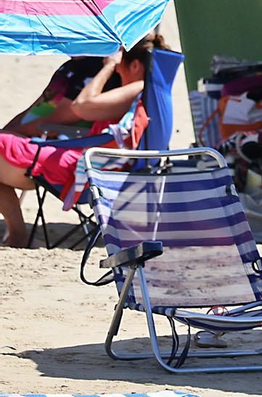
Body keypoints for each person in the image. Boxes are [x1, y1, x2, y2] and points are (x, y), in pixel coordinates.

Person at [0, 36, 159, 247]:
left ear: (136, 65)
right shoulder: (73, 70)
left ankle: (18, 237)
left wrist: (109, 66)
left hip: (83, 163)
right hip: (77, 154)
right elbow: (42, 108)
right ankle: (18, 236)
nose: (117, 72)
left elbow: (80, 106)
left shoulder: (135, 86)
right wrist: (10, 132)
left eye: (120, 67)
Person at [2, 56, 114, 137]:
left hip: (57, 140)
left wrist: (11, 133)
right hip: (30, 133)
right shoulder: (71, 65)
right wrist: (7, 130)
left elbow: (57, 119)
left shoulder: (98, 70)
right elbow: (40, 104)